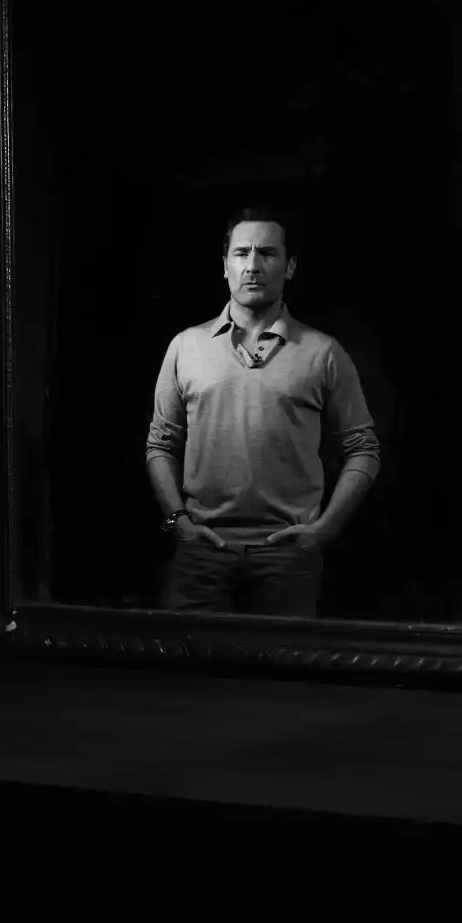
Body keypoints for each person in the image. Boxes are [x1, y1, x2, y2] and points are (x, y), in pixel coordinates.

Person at [145, 207, 381, 616]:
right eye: (241, 253)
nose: (253, 265)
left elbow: (364, 448)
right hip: (201, 553)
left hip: (287, 558)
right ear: (224, 266)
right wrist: (178, 522)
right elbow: (160, 445)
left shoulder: (323, 352)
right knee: (190, 658)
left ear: (289, 267)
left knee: (282, 660)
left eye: (267, 253)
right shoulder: (186, 346)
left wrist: (325, 530)